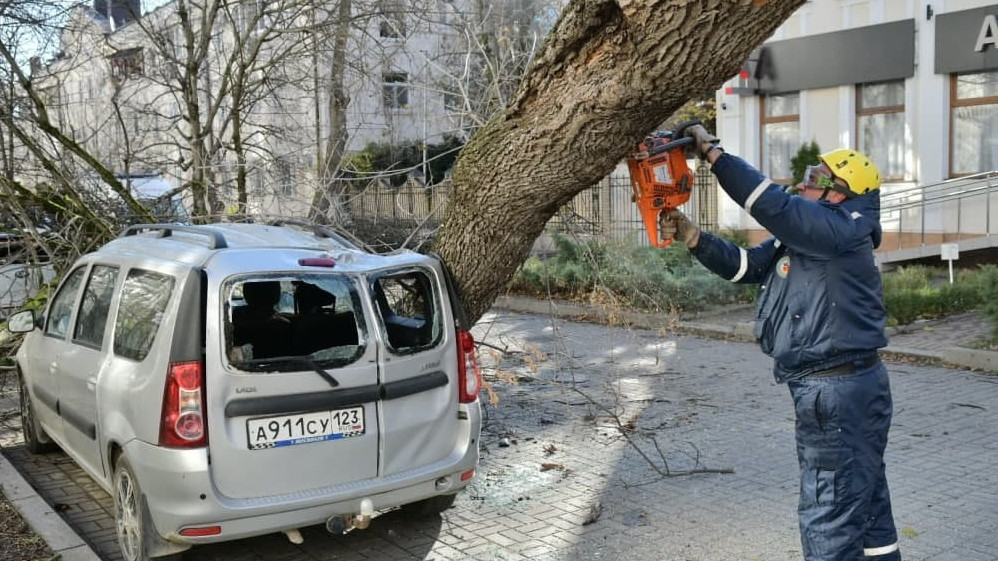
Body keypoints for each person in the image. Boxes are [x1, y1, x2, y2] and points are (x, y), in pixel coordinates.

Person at [660, 124, 901, 561]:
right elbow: (747, 266)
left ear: (838, 193)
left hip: (837, 394)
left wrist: (714, 154)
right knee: (865, 507)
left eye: (815, 177)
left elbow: (770, 204)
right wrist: (694, 238)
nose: (804, 181)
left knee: (829, 515)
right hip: (845, 392)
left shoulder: (839, 229)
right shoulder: (812, 235)